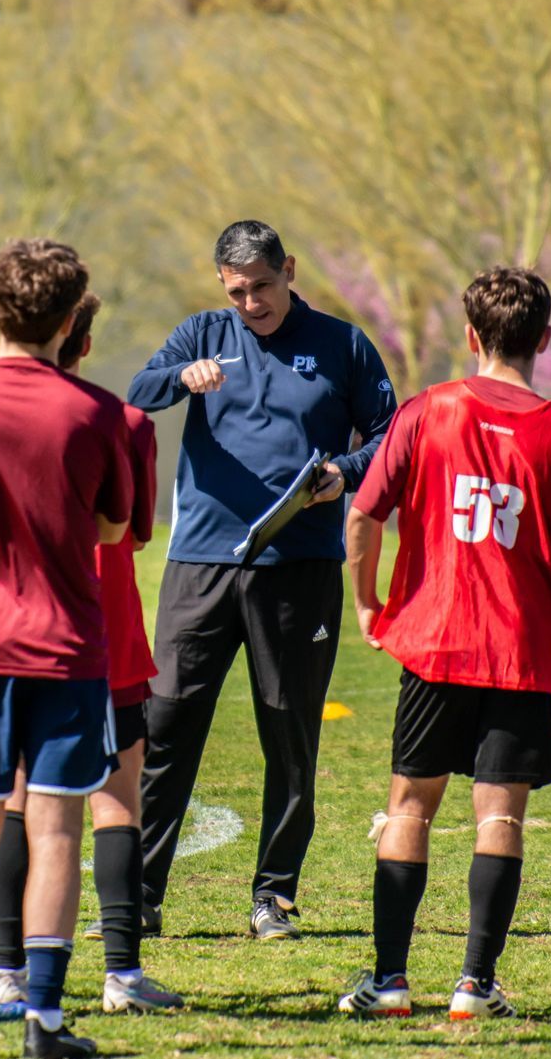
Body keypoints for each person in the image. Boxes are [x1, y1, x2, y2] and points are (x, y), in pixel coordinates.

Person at [129, 220, 397, 940]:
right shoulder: (201, 333)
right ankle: (140, 897)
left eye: (263, 286)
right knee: (166, 723)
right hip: (200, 564)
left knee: (289, 733)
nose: (252, 304)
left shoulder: (343, 344)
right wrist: (181, 377)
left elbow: (390, 434)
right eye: (238, 291)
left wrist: (345, 471)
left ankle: (272, 897)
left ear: (290, 270)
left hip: (299, 569)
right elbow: (139, 390)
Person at [337, 267, 551, 1022]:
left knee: (409, 808)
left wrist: (367, 601)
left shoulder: (427, 411)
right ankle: (475, 985)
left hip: (436, 643)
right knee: (499, 818)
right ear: (544, 339)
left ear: (471, 335)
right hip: (521, 652)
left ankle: (390, 980)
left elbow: (363, 515)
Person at [0, 239, 133, 1059]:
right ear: (71, 319)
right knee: (58, 830)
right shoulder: (99, 413)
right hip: (66, 649)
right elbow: (111, 527)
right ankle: (44, 1020)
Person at [0, 293, 183, 1017]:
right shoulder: (125, 422)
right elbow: (131, 533)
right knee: (116, 801)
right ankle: (122, 975)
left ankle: (8, 975)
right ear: (86, 342)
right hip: (103, 635)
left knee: (15, 800)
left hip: (13, 632)